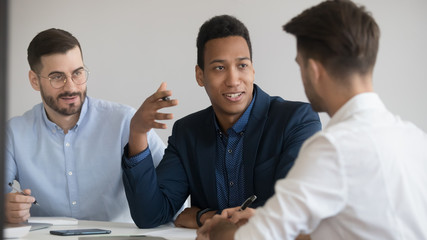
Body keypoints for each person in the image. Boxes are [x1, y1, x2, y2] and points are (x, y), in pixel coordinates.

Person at [196, 0, 427, 239]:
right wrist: (264, 219)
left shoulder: (333, 148)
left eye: (300, 65)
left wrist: (219, 229)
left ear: (314, 71)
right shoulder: (416, 139)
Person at [122, 14, 321, 229]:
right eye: (219, 68)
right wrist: (138, 133)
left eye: (242, 65)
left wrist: (203, 216)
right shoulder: (187, 132)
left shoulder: (297, 121)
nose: (233, 80)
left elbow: (292, 210)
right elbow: (150, 215)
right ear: (200, 75)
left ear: (253, 70)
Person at [4, 28, 165, 223]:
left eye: (77, 73)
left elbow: (171, 185)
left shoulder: (125, 121)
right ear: (34, 81)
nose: (71, 87)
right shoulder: (13, 133)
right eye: (57, 77)